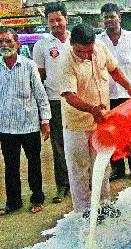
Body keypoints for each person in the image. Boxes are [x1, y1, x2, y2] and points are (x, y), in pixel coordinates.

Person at [60, 23, 131, 220]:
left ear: (94, 44)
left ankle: (104, 203)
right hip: (77, 124)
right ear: (72, 44)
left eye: (88, 50)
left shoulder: (100, 48)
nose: (85, 55)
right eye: (80, 51)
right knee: (80, 169)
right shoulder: (65, 60)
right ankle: (85, 209)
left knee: (102, 164)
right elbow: (69, 96)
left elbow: (115, 70)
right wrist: (91, 110)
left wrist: (129, 88)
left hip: (102, 122)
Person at [0, 27, 51, 215]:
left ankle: (37, 198)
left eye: (8, 41)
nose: (4, 45)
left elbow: (40, 94)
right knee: (11, 165)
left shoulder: (29, 66)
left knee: (34, 163)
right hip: (5, 127)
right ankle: (13, 202)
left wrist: (45, 120)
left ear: (17, 44)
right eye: (1, 42)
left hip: (29, 124)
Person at [97, 3, 131, 181]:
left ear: (119, 17)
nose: (109, 20)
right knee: (112, 133)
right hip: (107, 96)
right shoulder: (98, 41)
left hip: (129, 95)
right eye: (106, 17)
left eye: (112, 16)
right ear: (102, 20)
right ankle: (117, 168)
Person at [33, 2, 70, 203]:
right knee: (59, 146)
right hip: (55, 100)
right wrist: (42, 110)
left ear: (66, 20)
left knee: (81, 142)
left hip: (77, 101)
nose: (56, 24)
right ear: (47, 23)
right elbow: (40, 76)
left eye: (59, 20)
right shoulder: (42, 45)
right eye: (51, 21)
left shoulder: (75, 40)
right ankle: (62, 185)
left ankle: (82, 180)